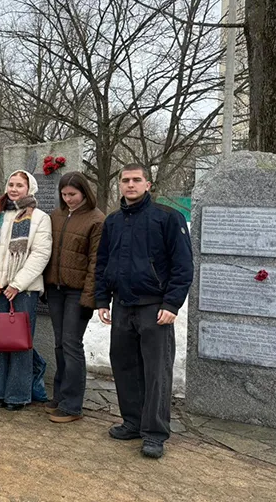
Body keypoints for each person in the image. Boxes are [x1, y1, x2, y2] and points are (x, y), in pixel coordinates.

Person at [95, 163, 192, 459]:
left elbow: (183, 266)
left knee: (156, 371)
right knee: (125, 367)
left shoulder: (167, 217)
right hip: (123, 305)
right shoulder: (113, 221)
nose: (130, 185)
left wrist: (171, 304)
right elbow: (102, 264)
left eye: (137, 180)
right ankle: (133, 422)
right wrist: (102, 299)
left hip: (154, 307)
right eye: (125, 180)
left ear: (148, 184)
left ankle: (154, 432)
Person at [0, 170, 52, 411]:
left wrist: (16, 284)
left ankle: (17, 395)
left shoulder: (40, 218)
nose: (13, 189)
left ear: (29, 188)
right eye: (11, 184)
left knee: (20, 344)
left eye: (19, 185)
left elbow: (40, 254)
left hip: (23, 290)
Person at [42, 172, 105, 423]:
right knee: (60, 343)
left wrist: (90, 297)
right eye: (64, 195)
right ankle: (60, 395)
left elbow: (96, 262)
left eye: (73, 194)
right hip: (55, 289)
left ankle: (73, 404)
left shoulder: (96, 219)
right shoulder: (55, 216)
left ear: (84, 193)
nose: (68, 199)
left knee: (72, 344)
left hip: (77, 291)